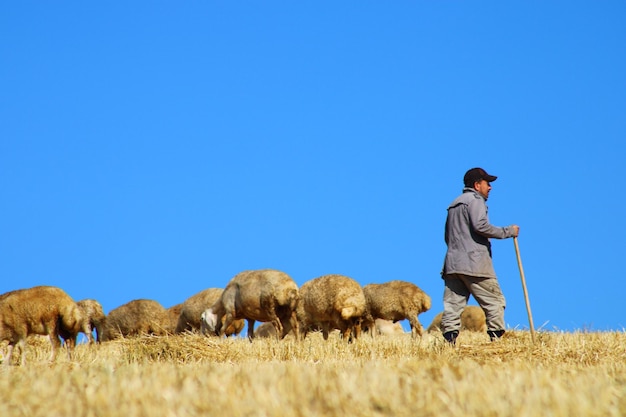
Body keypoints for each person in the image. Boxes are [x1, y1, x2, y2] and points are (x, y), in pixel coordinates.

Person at [440, 167, 519, 345]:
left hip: (453, 264)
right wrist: (508, 231)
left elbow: (447, 236)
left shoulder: (454, 204)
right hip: (475, 265)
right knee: (495, 302)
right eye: (487, 183)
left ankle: (448, 345)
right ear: (477, 185)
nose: (490, 187)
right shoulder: (475, 201)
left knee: (452, 307)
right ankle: (496, 342)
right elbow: (481, 226)